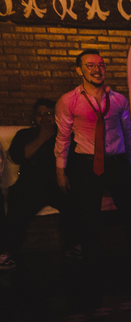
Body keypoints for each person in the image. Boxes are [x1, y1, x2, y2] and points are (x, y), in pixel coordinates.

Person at [54, 50, 131, 263]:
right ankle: (91, 266)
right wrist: (60, 171)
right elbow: (63, 138)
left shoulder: (119, 100)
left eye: (101, 65)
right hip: (85, 165)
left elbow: (127, 132)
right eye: (90, 65)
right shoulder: (68, 101)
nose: (97, 69)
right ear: (80, 70)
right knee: (88, 219)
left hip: (117, 162)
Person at [0, 99, 77, 271]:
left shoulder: (63, 135)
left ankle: (73, 245)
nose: (45, 117)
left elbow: (72, 161)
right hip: (30, 184)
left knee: (74, 198)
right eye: (40, 114)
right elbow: (19, 156)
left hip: (55, 183)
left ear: (56, 116)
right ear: (34, 117)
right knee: (17, 202)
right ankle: (9, 252)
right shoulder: (25, 134)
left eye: (49, 113)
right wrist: (42, 137)